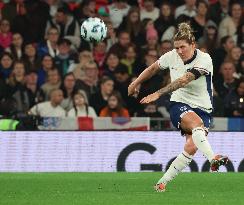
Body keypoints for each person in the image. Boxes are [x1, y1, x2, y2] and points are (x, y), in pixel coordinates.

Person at [128, 22, 228, 192]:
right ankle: (213, 158)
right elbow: (153, 68)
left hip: (203, 108)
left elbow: (184, 80)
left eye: (183, 47)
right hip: (179, 103)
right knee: (196, 125)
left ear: (193, 45)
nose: (179, 51)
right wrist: (136, 81)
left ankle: (161, 183)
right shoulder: (172, 55)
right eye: (177, 48)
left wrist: (158, 93)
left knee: (191, 146)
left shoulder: (205, 59)